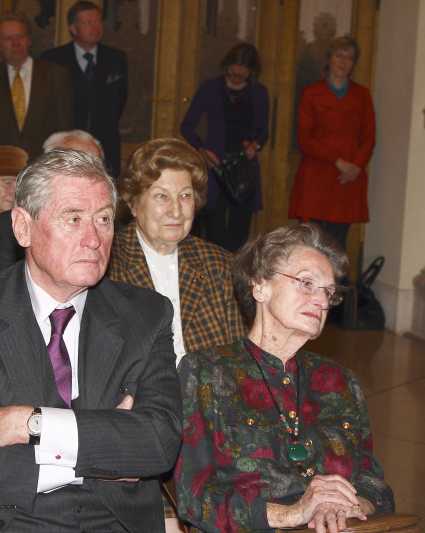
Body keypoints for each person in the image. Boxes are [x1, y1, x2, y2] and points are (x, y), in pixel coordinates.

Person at [0, 148, 182, 532]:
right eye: (73, 219)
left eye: (103, 219)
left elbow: (157, 443)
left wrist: (31, 424)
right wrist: (97, 452)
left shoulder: (145, 315)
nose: (93, 238)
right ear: (23, 227)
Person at [175, 223, 394, 533]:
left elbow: (376, 484)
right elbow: (194, 498)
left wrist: (353, 505)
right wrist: (292, 513)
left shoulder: (340, 381)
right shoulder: (206, 372)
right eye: (307, 283)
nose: (321, 300)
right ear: (260, 285)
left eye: (328, 292)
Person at [108, 138, 246, 364]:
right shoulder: (108, 265)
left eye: (185, 196)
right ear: (133, 204)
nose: (176, 211)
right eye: (161, 196)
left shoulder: (219, 264)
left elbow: (239, 361)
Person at [180, 42, 270, 253]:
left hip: (243, 171)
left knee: (240, 234)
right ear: (226, 67)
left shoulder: (258, 92)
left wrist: (255, 144)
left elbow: (263, 131)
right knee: (214, 232)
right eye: (232, 74)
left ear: (251, 72)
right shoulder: (210, 88)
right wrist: (202, 150)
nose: (236, 79)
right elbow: (187, 126)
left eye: (242, 76)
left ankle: (236, 279)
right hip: (216, 168)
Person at [289, 37, 375, 251]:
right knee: (312, 245)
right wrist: (339, 162)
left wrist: (355, 167)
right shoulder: (311, 93)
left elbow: (369, 137)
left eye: (349, 57)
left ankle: (337, 285)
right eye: (339, 55)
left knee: (338, 246)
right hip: (317, 178)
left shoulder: (362, 95)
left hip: (347, 180)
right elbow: (305, 139)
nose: (343, 61)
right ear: (329, 59)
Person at [0, 130, 103, 272]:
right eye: (72, 164)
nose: (94, 240)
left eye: (95, 167)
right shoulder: (10, 226)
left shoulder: (114, 233)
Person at [40, 1, 128, 177]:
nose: (95, 27)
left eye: (98, 21)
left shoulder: (116, 57)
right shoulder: (52, 59)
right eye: (88, 23)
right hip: (67, 142)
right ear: (73, 28)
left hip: (106, 143)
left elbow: (120, 100)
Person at [0, 11, 74, 160]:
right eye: (9, 38)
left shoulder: (55, 75)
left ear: (29, 40)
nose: (16, 43)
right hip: (2, 167)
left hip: (43, 167)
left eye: (21, 36)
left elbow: (65, 129)